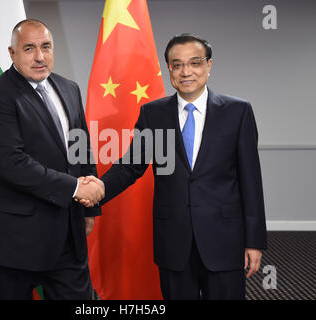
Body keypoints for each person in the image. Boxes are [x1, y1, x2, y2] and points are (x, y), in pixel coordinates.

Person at [81, 34, 267, 300]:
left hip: (224, 239)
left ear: (209, 66)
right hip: (174, 241)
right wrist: (97, 189)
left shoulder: (238, 112)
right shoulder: (153, 114)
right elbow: (130, 167)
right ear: (169, 69)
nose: (186, 71)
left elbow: (251, 181)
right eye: (177, 64)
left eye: (194, 63)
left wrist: (254, 241)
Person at [0, 19, 104, 300]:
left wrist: (89, 208)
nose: (40, 56)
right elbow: (11, 163)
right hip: (13, 242)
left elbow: (82, 149)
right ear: (12, 53)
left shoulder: (69, 88)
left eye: (46, 47)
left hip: (67, 233)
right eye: (29, 48)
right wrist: (76, 188)